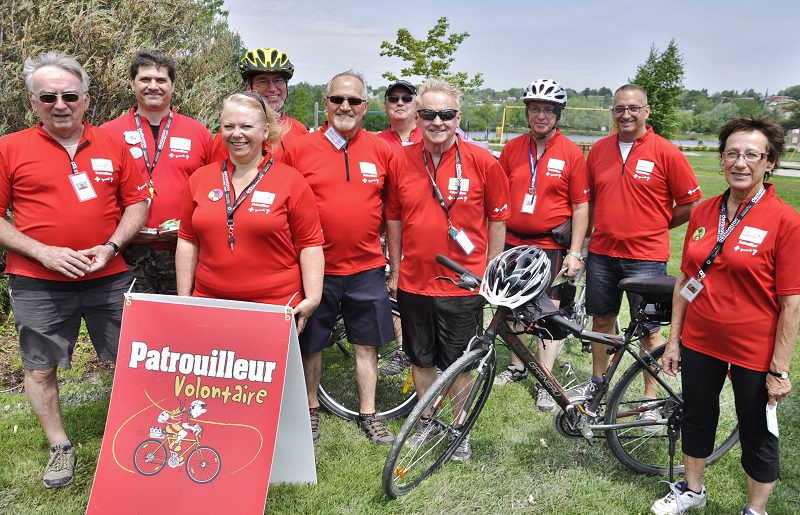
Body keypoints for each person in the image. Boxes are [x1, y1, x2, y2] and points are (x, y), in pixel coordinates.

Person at [0, 51, 149, 488]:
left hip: (109, 275)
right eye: (48, 96)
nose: (59, 104)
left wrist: (111, 246)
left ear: (86, 100)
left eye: (69, 95)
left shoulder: (114, 144)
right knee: (41, 367)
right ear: (32, 102)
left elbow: (137, 203)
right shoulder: (9, 148)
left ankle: (141, 435)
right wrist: (41, 252)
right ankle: (60, 447)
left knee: (133, 361)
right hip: (37, 282)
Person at [649, 116, 800, 515]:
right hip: (701, 340)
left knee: (757, 430)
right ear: (721, 159)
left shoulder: (785, 220)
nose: (740, 162)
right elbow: (686, 279)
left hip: (755, 348)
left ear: (769, 162)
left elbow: (791, 304)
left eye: (752, 154)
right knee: (697, 415)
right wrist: (676, 339)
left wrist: (780, 369)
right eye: (732, 153)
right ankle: (692, 489)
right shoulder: (704, 212)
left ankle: (757, 508)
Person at [386, 78, 511, 461]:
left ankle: (459, 427)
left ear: (458, 117)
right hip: (414, 282)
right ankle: (426, 421)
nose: (436, 121)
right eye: (428, 114)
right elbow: (392, 218)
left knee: (459, 363)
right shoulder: (400, 159)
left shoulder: (483, 161)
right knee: (421, 359)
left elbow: (497, 219)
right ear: (417, 117)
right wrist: (395, 268)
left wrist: (490, 267)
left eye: (445, 114)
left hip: (462, 283)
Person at [281, 71, 396, 445]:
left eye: (354, 101)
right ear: (326, 102)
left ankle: (369, 412)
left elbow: (393, 211)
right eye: (337, 100)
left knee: (367, 344)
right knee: (311, 343)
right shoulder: (298, 149)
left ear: (365, 107)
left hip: (366, 267)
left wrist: (396, 262)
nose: (345, 107)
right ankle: (312, 409)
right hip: (315, 269)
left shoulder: (382, 150)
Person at [572, 83, 702, 402]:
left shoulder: (666, 151)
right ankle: (598, 381)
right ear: (612, 113)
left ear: (646, 111)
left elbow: (691, 203)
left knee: (648, 329)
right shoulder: (600, 150)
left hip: (645, 257)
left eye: (633, 108)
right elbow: (589, 200)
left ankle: (649, 396)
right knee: (601, 319)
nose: (626, 114)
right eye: (619, 108)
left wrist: (658, 224)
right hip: (602, 253)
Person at [175, 92, 324, 333]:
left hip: (275, 308)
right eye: (229, 126)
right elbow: (187, 240)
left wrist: (313, 298)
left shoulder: (291, 181)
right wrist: (184, 296)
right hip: (210, 304)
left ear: (265, 131)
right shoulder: (200, 179)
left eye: (246, 126)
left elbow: (310, 244)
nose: (236, 134)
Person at [493, 79, 590, 412]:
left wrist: (575, 253)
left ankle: (546, 380)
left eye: (549, 110)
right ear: (527, 112)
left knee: (549, 313)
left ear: (558, 114)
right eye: (535, 109)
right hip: (513, 243)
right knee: (508, 307)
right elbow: (498, 198)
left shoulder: (571, 153)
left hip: (552, 246)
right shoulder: (512, 149)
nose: (541, 116)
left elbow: (580, 206)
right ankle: (517, 366)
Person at [101, 49, 213, 294]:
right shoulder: (108, 133)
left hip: (182, 250)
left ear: (173, 85)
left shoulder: (198, 132)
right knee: (131, 327)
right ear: (132, 84)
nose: (154, 86)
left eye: (161, 80)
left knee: (179, 326)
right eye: (145, 79)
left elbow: (214, 189)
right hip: (125, 252)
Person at [209, 47, 307, 162]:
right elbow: (218, 176)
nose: (272, 88)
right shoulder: (233, 134)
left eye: (278, 81)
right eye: (262, 82)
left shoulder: (299, 129)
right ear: (249, 88)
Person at [377, 80, 421, 153]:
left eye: (407, 99)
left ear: (416, 104)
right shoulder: (376, 142)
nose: (400, 103)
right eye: (393, 99)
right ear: (385, 105)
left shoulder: (430, 137)